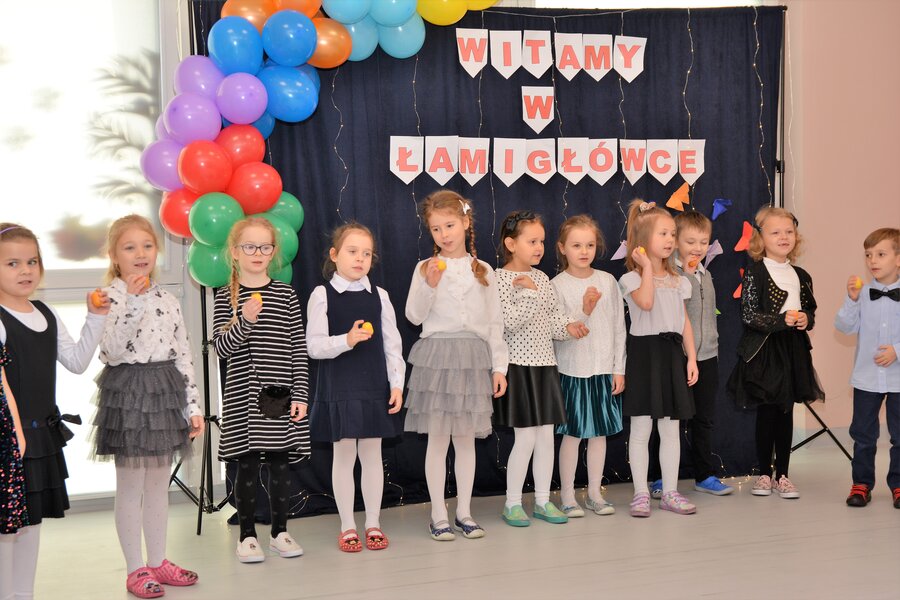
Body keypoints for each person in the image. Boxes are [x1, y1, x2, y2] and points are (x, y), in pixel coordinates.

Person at [91, 215, 203, 598]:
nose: (140, 253)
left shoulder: (168, 299)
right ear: (114, 255)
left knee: (158, 482)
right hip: (128, 393)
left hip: (164, 392)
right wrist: (133, 301)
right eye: (129, 247)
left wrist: (192, 405)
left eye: (147, 245)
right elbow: (111, 350)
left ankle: (158, 561)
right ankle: (134, 568)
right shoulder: (108, 297)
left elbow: (183, 353)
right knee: (131, 485)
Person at [0, 223, 107, 600]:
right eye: (12, 263)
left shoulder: (45, 312)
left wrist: (95, 317)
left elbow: (76, 362)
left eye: (32, 261)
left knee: (30, 522)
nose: (25, 270)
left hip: (39, 436)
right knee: (7, 528)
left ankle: (23, 594)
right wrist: (13, 433)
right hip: (8, 440)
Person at [405, 189, 508, 541]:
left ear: (465, 222)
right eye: (436, 229)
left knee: (465, 439)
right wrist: (430, 285)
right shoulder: (425, 268)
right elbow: (414, 315)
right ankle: (438, 514)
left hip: (473, 358)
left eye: (449, 225)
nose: (444, 234)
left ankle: (464, 511)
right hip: (437, 356)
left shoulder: (484, 271)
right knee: (438, 439)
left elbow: (494, 323)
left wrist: (499, 367)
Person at [213, 217, 309, 563]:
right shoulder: (225, 296)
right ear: (235, 252)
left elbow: (298, 348)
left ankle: (280, 532)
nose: (257, 253)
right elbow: (221, 348)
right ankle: (247, 535)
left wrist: (301, 394)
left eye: (265, 247)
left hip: (279, 395)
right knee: (248, 466)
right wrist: (245, 321)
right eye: (250, 246)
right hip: (242, 397)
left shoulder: (285, 294)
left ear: (273, 252)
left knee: (280, 464)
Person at [307, 223, 404, 552]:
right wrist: (345, 340)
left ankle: (373, 522)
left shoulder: (380, 296)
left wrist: (397, 384)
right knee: (344, 454)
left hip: (373, 385)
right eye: (352, 251)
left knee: (373, 454)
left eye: (366, 253)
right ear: (334, 255)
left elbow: (393, 346)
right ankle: (347, 524)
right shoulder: (322, 295)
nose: (360, 259)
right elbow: (314, 346)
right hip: (340, 386)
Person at [494, 211, 587, 527]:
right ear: (511, 244)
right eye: (531, 241)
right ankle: (512, 503)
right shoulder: (498, 279)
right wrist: (530, 294)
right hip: (518, 368)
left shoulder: (543, 279)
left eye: (541, 241)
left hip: (545, 365)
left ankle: (543, 500)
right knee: (525, 439)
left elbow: (551, 318)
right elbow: (509, 322)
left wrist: (569, 326)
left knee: (546, 437)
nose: (539, 247)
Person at [727, 206, 823, 499]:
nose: (784, 237)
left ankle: (783, 474)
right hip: (765, 351)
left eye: (789, 232)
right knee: (767, 412)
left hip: (793, 349)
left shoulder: (801, 275)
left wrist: (805, 319)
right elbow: (749, 315)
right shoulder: (756, 272)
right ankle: (763, 474)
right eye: (776, 232)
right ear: (761, 238)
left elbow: (810, 309)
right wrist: (782, 320)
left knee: (785, 411)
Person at [618, 200, 699, 517]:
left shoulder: (680, 280)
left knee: (670, 429)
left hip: (671, 355)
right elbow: (647, 303)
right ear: (642, 240)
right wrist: (648, 269)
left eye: (672, 234)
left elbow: (683, 321)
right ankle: (640, 492)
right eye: (662, 233)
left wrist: (691, 358)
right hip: (644, 356)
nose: (670, 239)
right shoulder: (631, 279)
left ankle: (670, 492)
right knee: (641, 430)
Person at [552, 215, 626, 517]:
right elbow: (560, 330)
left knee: (599, 435)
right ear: (562, 248)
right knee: (572, 435)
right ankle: (568, 496)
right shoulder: (557, 285)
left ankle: (595, 492)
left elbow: (618, 327)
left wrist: (618, 368)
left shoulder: (607, 281)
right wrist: (583, 310)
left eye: (590, 245)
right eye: (576, 245)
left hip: (603, 369)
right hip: (572, 371)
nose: (584, 251)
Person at [834, 227, 900, 508]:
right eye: (868, 255)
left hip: (898, 379)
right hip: (866, 379)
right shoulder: (862, 293)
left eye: (881, 254)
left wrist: (897, 350)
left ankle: (898, 485)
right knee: (862, 435)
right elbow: (844, 327)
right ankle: (861, 484)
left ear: (898, 259)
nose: (873, 260)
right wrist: (851, 299)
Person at [671, 211, 733, 496]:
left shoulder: (705, 275)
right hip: (679, 358)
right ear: (676, 241)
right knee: (671, 421)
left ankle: (704, 474)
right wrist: (684, 274)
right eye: (690, 241)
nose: (697, 248)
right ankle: (661, 477)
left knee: (703, 419)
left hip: (708, 357)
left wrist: (712, 349)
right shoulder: (672, 274)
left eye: (704, 242)